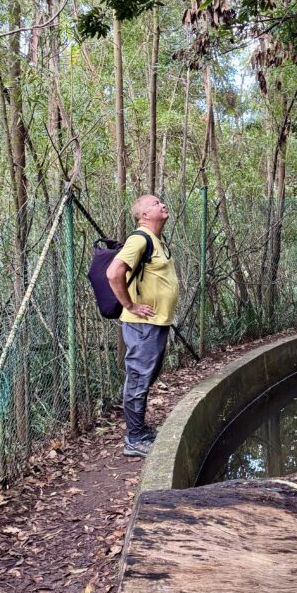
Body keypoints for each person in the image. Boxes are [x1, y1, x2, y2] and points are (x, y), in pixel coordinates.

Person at [106, 195, 179, 458]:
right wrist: (130, 305)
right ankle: (134, 439)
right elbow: (114, 273)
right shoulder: (139, 239)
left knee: (145, 377)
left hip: (156, 323)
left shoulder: (157, 241)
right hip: (141, 325)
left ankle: (140, 431)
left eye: (162, 201)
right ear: (144, 215)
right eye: (156, 203)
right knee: (138, 378)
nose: (163, 204)